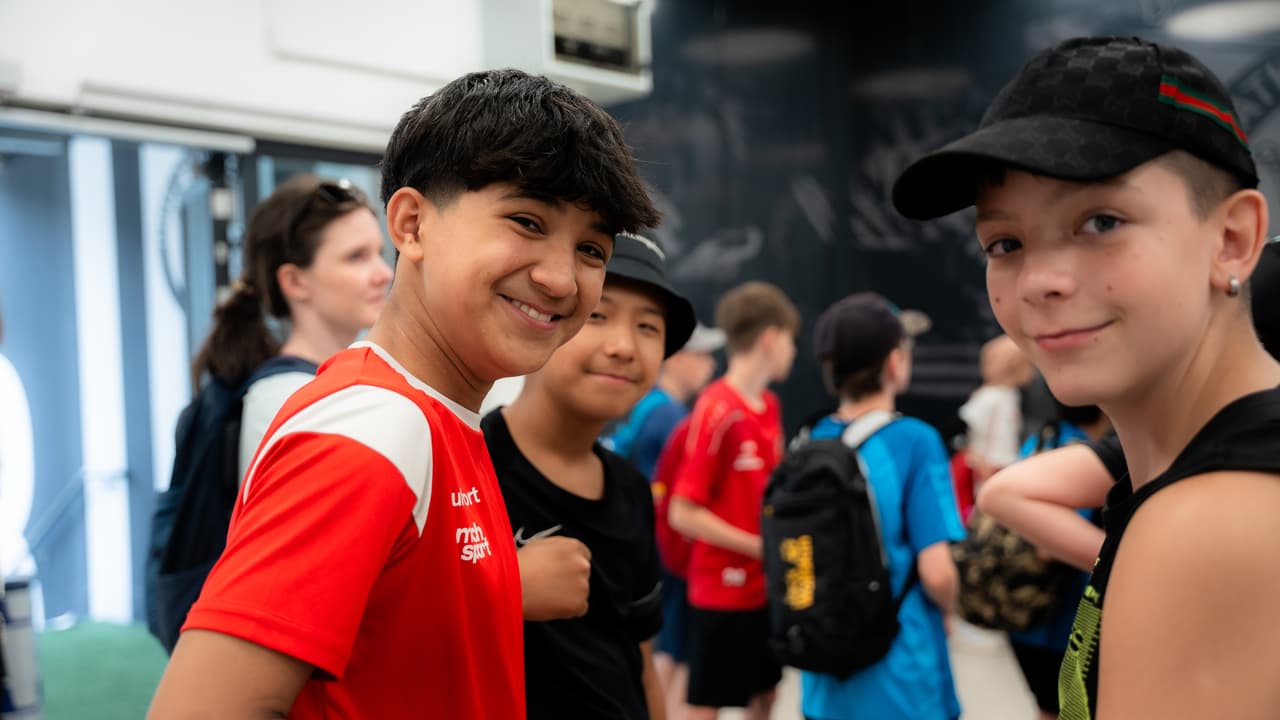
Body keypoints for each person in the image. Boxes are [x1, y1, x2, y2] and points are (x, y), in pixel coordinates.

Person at [148, 68, 660, 719]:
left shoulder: (435, 418)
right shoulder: (373, 430)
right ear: (412, 224)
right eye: (527, 221)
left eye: (591, 248)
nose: (562, 278)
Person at [893, 35, 1280, 718]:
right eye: (1005, 243)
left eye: (1102, 221)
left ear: (1232, 240)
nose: (1038, 281)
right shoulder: (1189, 478)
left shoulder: (1208, 527)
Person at [485, 231, 696, 720]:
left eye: (648, 327)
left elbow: (641, 660)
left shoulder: (631, 489)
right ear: (538, 317)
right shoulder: (469, 467)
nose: (624, 347)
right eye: (597, 315)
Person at [798, 291, 963, 720]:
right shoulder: (916, 441)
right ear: (894, 363)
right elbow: (937, 572)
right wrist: (949, 607)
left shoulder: (808, 441)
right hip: (903, 677)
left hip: (823, 678)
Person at [188, 174, 393, 482]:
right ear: (295, 281)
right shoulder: (285, 401)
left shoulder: (333, 388)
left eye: (379, 253)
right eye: (356, 257)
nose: (384, 274)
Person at [668, 280, 799, 720]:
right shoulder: (717, 408)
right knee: (707, 702)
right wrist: (758, 546)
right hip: (721, 592)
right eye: (790, 340)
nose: (793, 352)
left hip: (766, 588)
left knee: (765, 696)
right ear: (770, 338)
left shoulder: (770, 405)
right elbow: (682, 512)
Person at [605, 321, 724, 720]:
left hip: (646, 545)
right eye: (701, 355)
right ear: (675, 359)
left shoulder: (648, 405)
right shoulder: (670, 417)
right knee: (672, 651)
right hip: (667, 553)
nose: (710, 364)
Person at [1004, 402, 1110, 720]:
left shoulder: (1042, 439)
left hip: (1023, 612)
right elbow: (1047, 547)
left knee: (1048, 708)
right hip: (1061, 620)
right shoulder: (1085, 458)